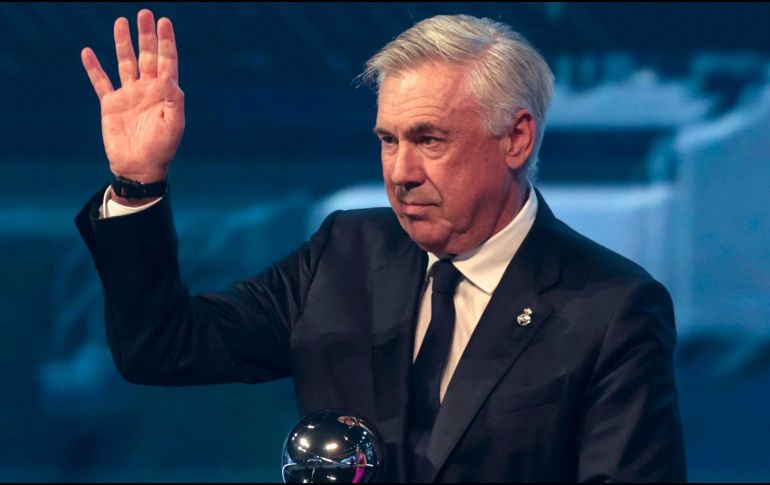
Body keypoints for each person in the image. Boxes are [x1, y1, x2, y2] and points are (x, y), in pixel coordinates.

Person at [76, 9, 686, 482]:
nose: (400, 171)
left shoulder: (611, 308)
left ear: (516, 139)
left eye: (429, 139)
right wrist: (137, 183)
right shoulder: (345, 251)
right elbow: (162, 349)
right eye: (388, 140)